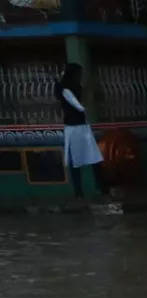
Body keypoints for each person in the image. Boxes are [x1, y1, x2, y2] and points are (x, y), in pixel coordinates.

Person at [55, 63, 104, 198]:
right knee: (80, 160)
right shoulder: (66, 88)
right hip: (74, 127)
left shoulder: (69, 87)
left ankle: (91, 188)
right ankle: (82, 190)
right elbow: (76, 105)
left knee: (91, 158)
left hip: (79, 126)